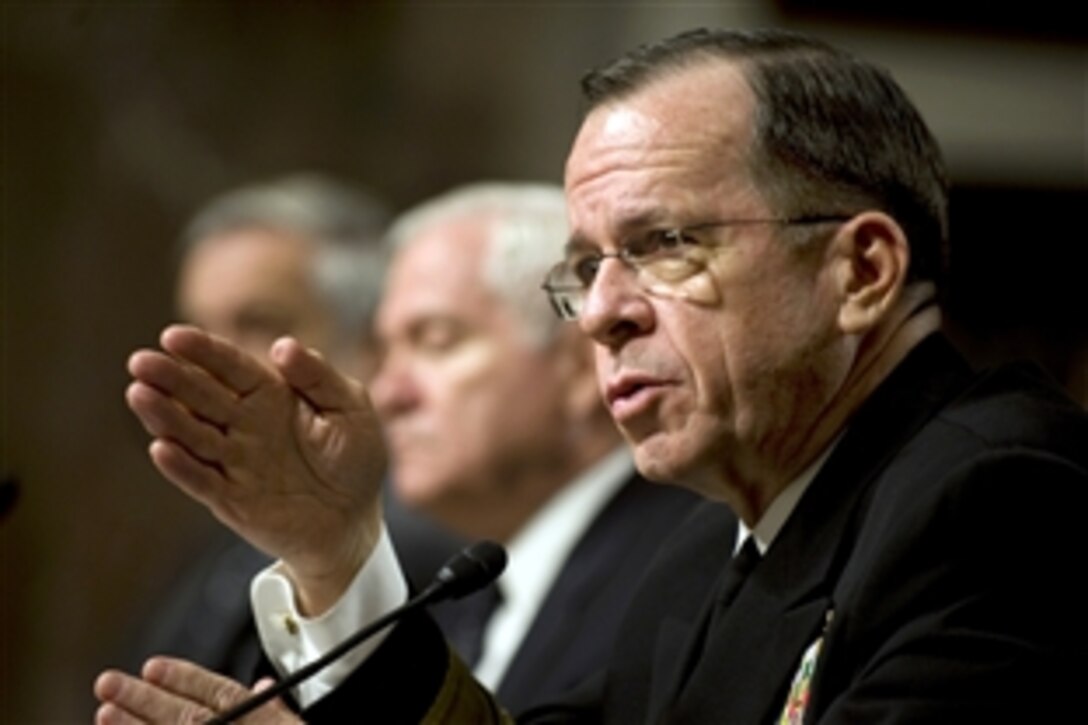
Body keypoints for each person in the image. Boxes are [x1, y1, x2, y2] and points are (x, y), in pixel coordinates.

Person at [95, 28, 1087, 724]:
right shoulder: (704, 552)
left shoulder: (996, 499)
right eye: (585, 268)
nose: (603, 313)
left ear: (859, 271)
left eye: (662, 243)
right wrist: (334, 551)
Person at [367, 182, 698, 713]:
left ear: (577, 366)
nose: (388, 393)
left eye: (435, 340)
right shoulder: (464, 596)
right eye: (384, 350)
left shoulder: (678, 572)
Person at [121, 173, 461, 684]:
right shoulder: (218, 540)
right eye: (197, 329)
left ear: (371, 339)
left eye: (256, 323)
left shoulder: (427, 544)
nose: (206, 364)